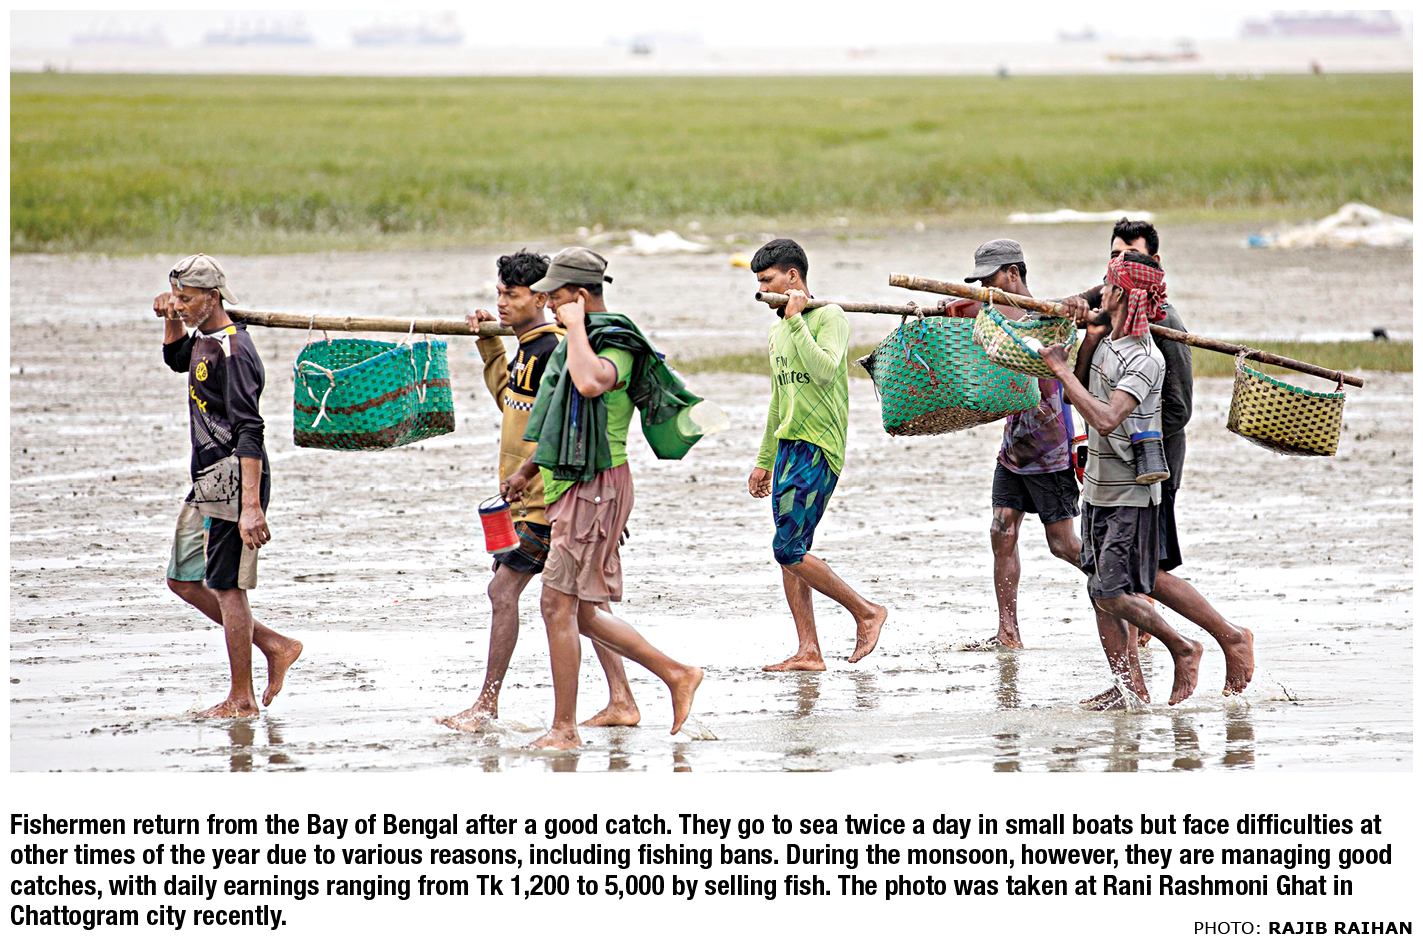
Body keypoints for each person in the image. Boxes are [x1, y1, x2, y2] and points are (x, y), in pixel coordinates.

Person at [504, 248, 702, 750]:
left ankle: (564, 729)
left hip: (597, 485)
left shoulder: (615, 341)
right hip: (574, 485)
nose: (549, 303)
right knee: (584, 611)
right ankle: (675, 675)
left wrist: (574, 327)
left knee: (556, 604)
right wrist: (527, 470)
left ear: (580, 295)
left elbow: (591, 383)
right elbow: (557, 415)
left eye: (556, 295)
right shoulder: (578, 340)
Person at [438, 250, 640, 732]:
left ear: (541, 298)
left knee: (504, 590)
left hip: (548, 499)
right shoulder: (529, 349)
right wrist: (491, 345)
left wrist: (592, 503)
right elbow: (512, 403)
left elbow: (569, 429)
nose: (502, 303)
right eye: (499, 294)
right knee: (587, 602)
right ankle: (622, 698)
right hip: (532, 497)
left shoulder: (557, 349)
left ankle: (488, 704)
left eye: (513, 295)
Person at [1064, 220, 1254, 696]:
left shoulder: (1163, 329)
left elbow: (1178, 409)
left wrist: (1130, 440)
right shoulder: (1108, 313)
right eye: (1113, 255)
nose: (1115, 266)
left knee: (1141, 575)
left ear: (1149, 266)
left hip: (1150, 465)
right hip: (1105, 468)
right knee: (1108, 581)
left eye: (1127, 255)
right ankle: (1128, 687)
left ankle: (1226, 638)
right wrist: (1075, 313)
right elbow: (1068, 310)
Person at [1039, 252, 1203, 708]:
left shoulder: (1146, 358)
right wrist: (1086, 340)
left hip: (1131, 492)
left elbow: (1106, 417)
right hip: (1097, 485)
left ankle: (1183, 647)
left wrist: (1060, 368)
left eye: (1109, 285)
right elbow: (1078, 390)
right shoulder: (1106, 341)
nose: (1102, 290)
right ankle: (1129, 692)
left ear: (1124, 295)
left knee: (1111, 591)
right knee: (1098, 588)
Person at [155, 254, 302, 718]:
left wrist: (251, 507)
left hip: (236, 479)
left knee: (227, 586)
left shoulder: (235, 351)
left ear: (213, 297)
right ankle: (274, 644)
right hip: (206, 480)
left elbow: (250, 430)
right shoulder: (202, 336)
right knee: (183, 579)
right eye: (175, 297)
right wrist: (171, 320)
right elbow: (177, 360)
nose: (179, 306)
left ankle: (242, 698)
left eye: (186, 299)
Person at [750, 238, 888, 671]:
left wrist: (796, 321)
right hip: (788, 446)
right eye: (759, 283)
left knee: (788, 549)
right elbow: (779, 399)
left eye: (768, 280)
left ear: (792, 277)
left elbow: (826, 371)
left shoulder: (829, 317)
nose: (762, 290)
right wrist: (764, 459)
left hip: (818, 446)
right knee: (791, 549)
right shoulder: (777, 331)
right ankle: (808, 650)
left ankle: (867, 612)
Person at [943, 239, 1081, 648]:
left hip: (1049, 449)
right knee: (1001, 529)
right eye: (981, 283)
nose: (986, 288)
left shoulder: (1046, 318)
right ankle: (1008, 631)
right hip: (1013, 448)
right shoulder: (992, 316)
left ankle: (1132, 598)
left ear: (1014, 274)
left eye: (992, 280)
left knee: (1063, 545)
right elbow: (962, 315)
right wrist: (947, 309)